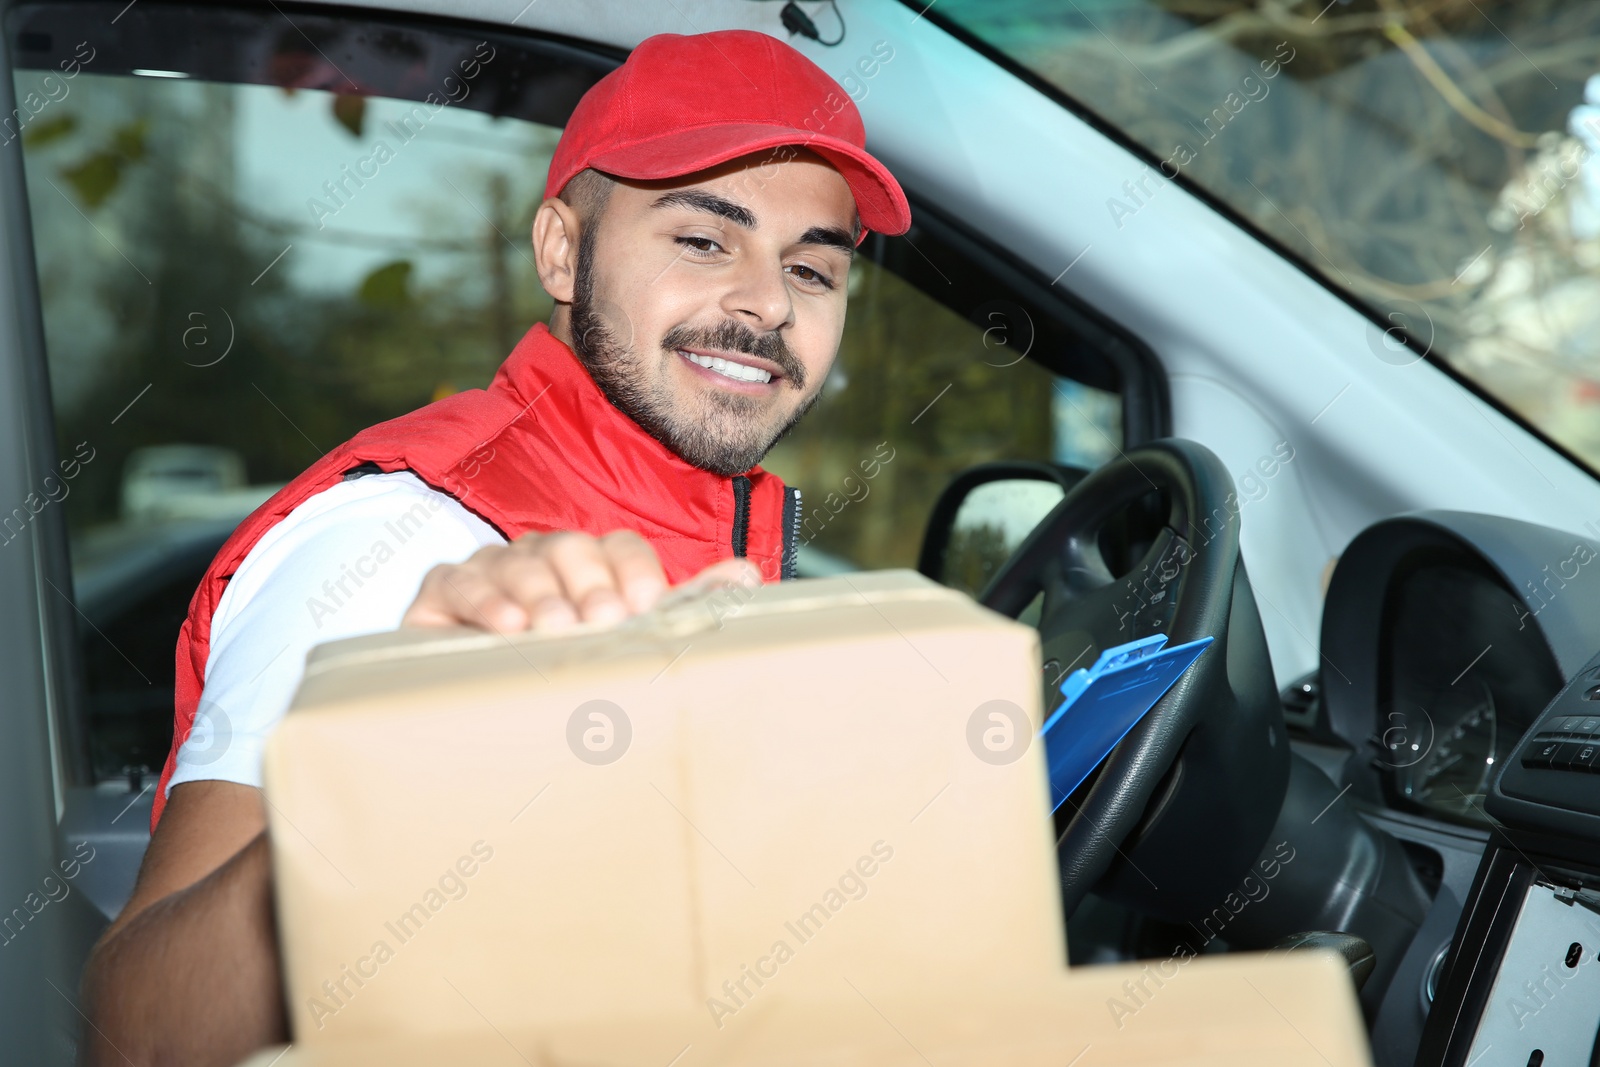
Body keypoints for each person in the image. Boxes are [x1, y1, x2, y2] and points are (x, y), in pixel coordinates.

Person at [79, 28, 909, 1067]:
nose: (768, 304)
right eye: (704, 240)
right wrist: (394, 767)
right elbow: (140, 1027)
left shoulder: (710, 537)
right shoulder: (405, 537)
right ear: (562, 250)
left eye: (811, 269)